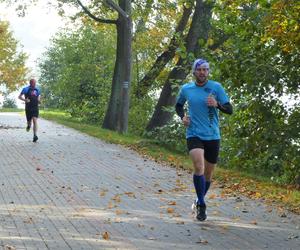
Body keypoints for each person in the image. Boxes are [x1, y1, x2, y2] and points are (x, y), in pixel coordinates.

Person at [175, 59, 233, 221]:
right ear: (194, 72)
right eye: (199, 69)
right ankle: (202, 204)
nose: (202, 72)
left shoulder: (216, 87)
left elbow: (230, 109)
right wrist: (182, 117)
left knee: (208, 175)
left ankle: (199, 199)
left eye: (205, 70)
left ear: (208, 72)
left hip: (213, 135)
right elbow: (178, 106)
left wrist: (217, 104)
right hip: (193, 133)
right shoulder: (186, 89)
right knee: (198, 166)